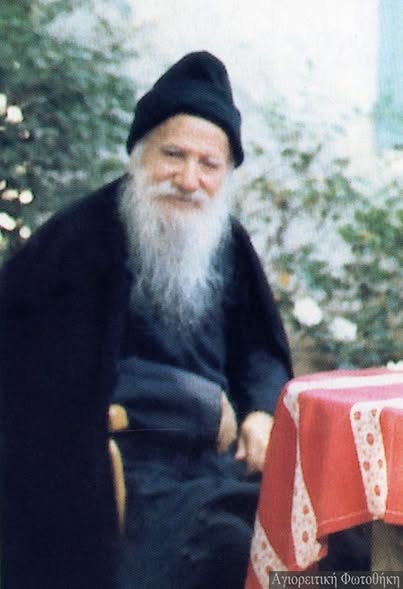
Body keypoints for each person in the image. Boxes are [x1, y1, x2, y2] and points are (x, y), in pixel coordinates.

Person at [0, 51, 293, 589]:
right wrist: (196, 405)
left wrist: (261, 412)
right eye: (172, 155)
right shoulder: (81, 239)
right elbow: (42, 370)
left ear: (226, 174)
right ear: (139, 155)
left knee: (334, 543)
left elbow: (260, 349)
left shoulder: (227, 242)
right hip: (122, 470)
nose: (188, 179)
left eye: (209, 165)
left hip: (222, 468)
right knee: (230, 550)